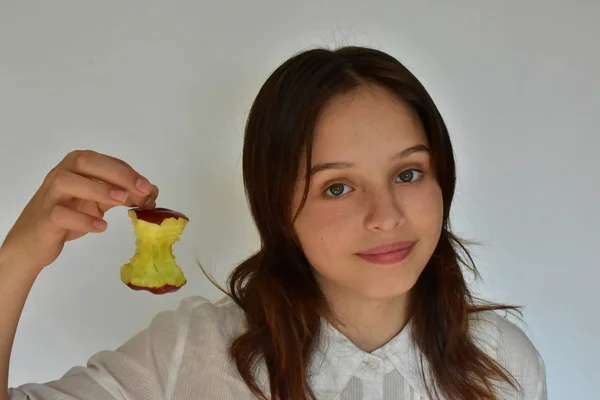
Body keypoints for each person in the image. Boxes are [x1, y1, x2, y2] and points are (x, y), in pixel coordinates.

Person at [0, 46, 546, 400]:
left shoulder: (505, 363)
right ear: (276, 208)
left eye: (408, 173)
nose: (387, 217)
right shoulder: (193, 352)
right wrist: (16, 258)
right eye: (337, 186)